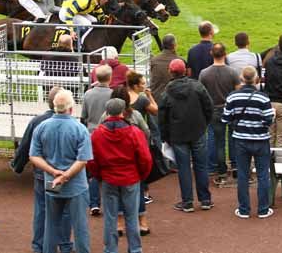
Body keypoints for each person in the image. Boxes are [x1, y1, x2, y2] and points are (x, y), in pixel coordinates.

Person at [10, 86, 73, 253]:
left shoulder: (37, 121)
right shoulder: (72, 122)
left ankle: (39, 245)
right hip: (66, 173)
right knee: (65, 210)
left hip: (42, 173)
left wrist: (17, 166)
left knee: (41, 210)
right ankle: (65, 245)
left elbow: (26, 146)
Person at [30, 90, 92, 253]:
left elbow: (34, 156)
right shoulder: (79, 129)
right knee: (80, 228)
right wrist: (66, 175)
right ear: (71, 108)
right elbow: (82, 160)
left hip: (51, 182)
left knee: (51, 225)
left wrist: (53, 172)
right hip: (76, 185)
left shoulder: (42, 127)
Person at [88, 98, 152, 253]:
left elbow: (91, 159)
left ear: (107, 112)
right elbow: (145, 158)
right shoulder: (134, 132)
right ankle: (135, 249)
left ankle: (110, 249)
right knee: (132, 215)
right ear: (123, 112)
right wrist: (141, 175)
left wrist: (99, 175)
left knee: (110, 217)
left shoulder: (97, 134)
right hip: (130, 178)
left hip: (109, 179)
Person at [158, 59, 214, 212]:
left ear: (171, 72)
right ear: (185, 71)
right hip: (197, 131)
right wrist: (204, 124)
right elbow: (209, 106)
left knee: (184, 168)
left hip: (178, 135)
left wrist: (165, 136)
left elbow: (162, 117)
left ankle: (188, 202)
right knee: (201, 166)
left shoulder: (167, 91)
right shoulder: (197, 86)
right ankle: (205, 200)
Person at [222, 66, 275, 219]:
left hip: (240, 140)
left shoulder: (233, 97)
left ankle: (244, 209)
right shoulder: (263, 98)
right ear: (256, 79)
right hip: (261, 140)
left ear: (242, 78)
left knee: (243, 175)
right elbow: (268, 120)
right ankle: (263, 209)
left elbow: (226, 119)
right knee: (263, 175)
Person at [199, 43, 241, 186]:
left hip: (214, 111)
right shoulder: (233, 72)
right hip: (231, 110)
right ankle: (235, 168)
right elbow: (238, 92)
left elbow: (201, 94)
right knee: (233, 138)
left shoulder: (204, 73)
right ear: (225, 54)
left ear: (211, 53)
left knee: (219, 143)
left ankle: (221, 172)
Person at [126, 70, 158, 231]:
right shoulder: (143, 99)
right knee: (141, 169)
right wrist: (150, 95)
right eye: (142, 83)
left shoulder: (122, 97)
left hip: (123, 140)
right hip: (138, 139)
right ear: (135, 85)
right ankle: (144, 195)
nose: (144, 85)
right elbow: (155, 110)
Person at [81, 65, 113, 216]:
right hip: (107, 134)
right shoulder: (113, 95)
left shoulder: (88, 94)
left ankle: (94, 203)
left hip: (91, 134)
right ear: (110, 78)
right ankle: (111, 201)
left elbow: (83, 117)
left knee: (93, 170)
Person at [186, 21, 216, 172]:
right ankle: (210, 165)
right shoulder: (216, 50)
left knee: (198, 129)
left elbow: (189, 73)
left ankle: (199, 161)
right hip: (212, 94)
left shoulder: (192, 51)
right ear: (211, 32)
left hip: (196, 93)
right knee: (211, 130)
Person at [149, 34, 184, 104]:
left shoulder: (154, 60)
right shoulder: (180, 61)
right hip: (174, 101)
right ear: (174, 45)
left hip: (156, 99)